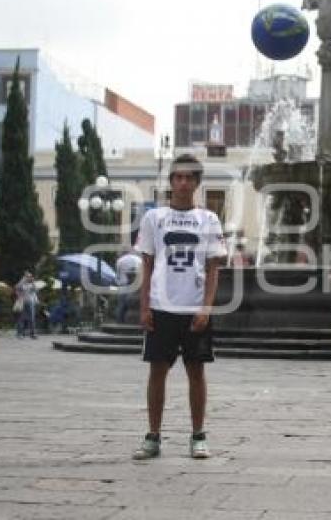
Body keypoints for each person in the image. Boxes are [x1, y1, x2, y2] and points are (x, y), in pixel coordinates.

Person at [132, 154, 227, 460]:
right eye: (178, 177)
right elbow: (146, 264)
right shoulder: (154, 219)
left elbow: (214, 268)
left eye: (189, 177)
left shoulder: (208, 220)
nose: (183, 183)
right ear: (171, 181)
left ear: (197, 183)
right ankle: (153, 435)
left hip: (194, 308)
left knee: (196, 371)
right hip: (162, 306)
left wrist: (206, 308)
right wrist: (144, 306)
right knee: (157, 371)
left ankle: (198, 435)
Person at [115, 247, 142, 323]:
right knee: (135, 305)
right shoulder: (138, 259)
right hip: (136, 286)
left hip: (123, 285)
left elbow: (118, 274)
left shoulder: (120, 260)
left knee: (121, 305)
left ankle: (120, 322)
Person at [14, 271, 38, 339]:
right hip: (22, 302)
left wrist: (33, 282)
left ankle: (32, 334)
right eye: (27, 276)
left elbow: (35, 290)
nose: (29, 278)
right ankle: (20, 334)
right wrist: (22, 281)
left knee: (32, 319)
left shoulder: (32, 284)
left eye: (30, 276)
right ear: (24, 277)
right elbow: (16, 289)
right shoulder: (21, 284)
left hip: (31, 302)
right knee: (21, 318)